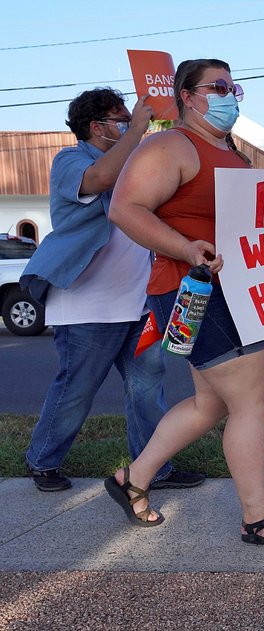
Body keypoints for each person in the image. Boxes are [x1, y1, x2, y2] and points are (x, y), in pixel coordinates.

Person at [104, 59, 264, 546]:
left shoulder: (231, 154)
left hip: (228, 292)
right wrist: (184, 248)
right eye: (218, 87)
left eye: (234, 86)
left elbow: (250, 226)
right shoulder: (171, 146)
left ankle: (132, 480)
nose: (230, 95)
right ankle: (258, 519)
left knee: (210, 404)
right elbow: (124, 208)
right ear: (187, 95)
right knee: (251, 402)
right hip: (195, 289)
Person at [20, 88, 204, 493]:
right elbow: (100, 178)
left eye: (128, 118)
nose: (127, 123)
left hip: (139, 304)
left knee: (147, 392)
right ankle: (42, 460)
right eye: (119, 119)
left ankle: (155, 467)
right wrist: (137, 130)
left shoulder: (134, 164)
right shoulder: (71, 160)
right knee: (76, 391)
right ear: (95, 127)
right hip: (87, 305)